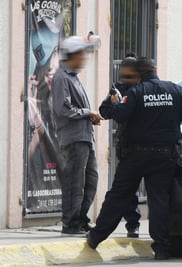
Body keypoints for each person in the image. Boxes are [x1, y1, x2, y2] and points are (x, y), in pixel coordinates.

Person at [87, 57, 182, 260]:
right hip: (166, 155)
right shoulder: (175, 90)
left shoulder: (136, 92)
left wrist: (114, 102)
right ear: (154, 70)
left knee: (119, 195)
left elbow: (119, 115)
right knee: (159, 200)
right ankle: (162, 248)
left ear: (139, 74)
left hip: (136, 155)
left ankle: (95, 237)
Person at [51, 36, 101, 235]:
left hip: (84, 137)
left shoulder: (72, 76)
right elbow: (62, 108)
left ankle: (80, 220)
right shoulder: (61, 77)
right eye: (80, 54)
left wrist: (89, 115)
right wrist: (88, 113)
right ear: (70, 55)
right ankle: (70, 224)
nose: (83, 59)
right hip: (73, 139)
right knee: (74, 183)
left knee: (90, 181)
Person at [111, 53, 143, 238]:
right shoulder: (119, 89)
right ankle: (133, 224)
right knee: (127, 189)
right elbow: (106, 110)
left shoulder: (145, 89)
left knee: (156, 190)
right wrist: (116, 104)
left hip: (147, 145)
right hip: (128, 145)